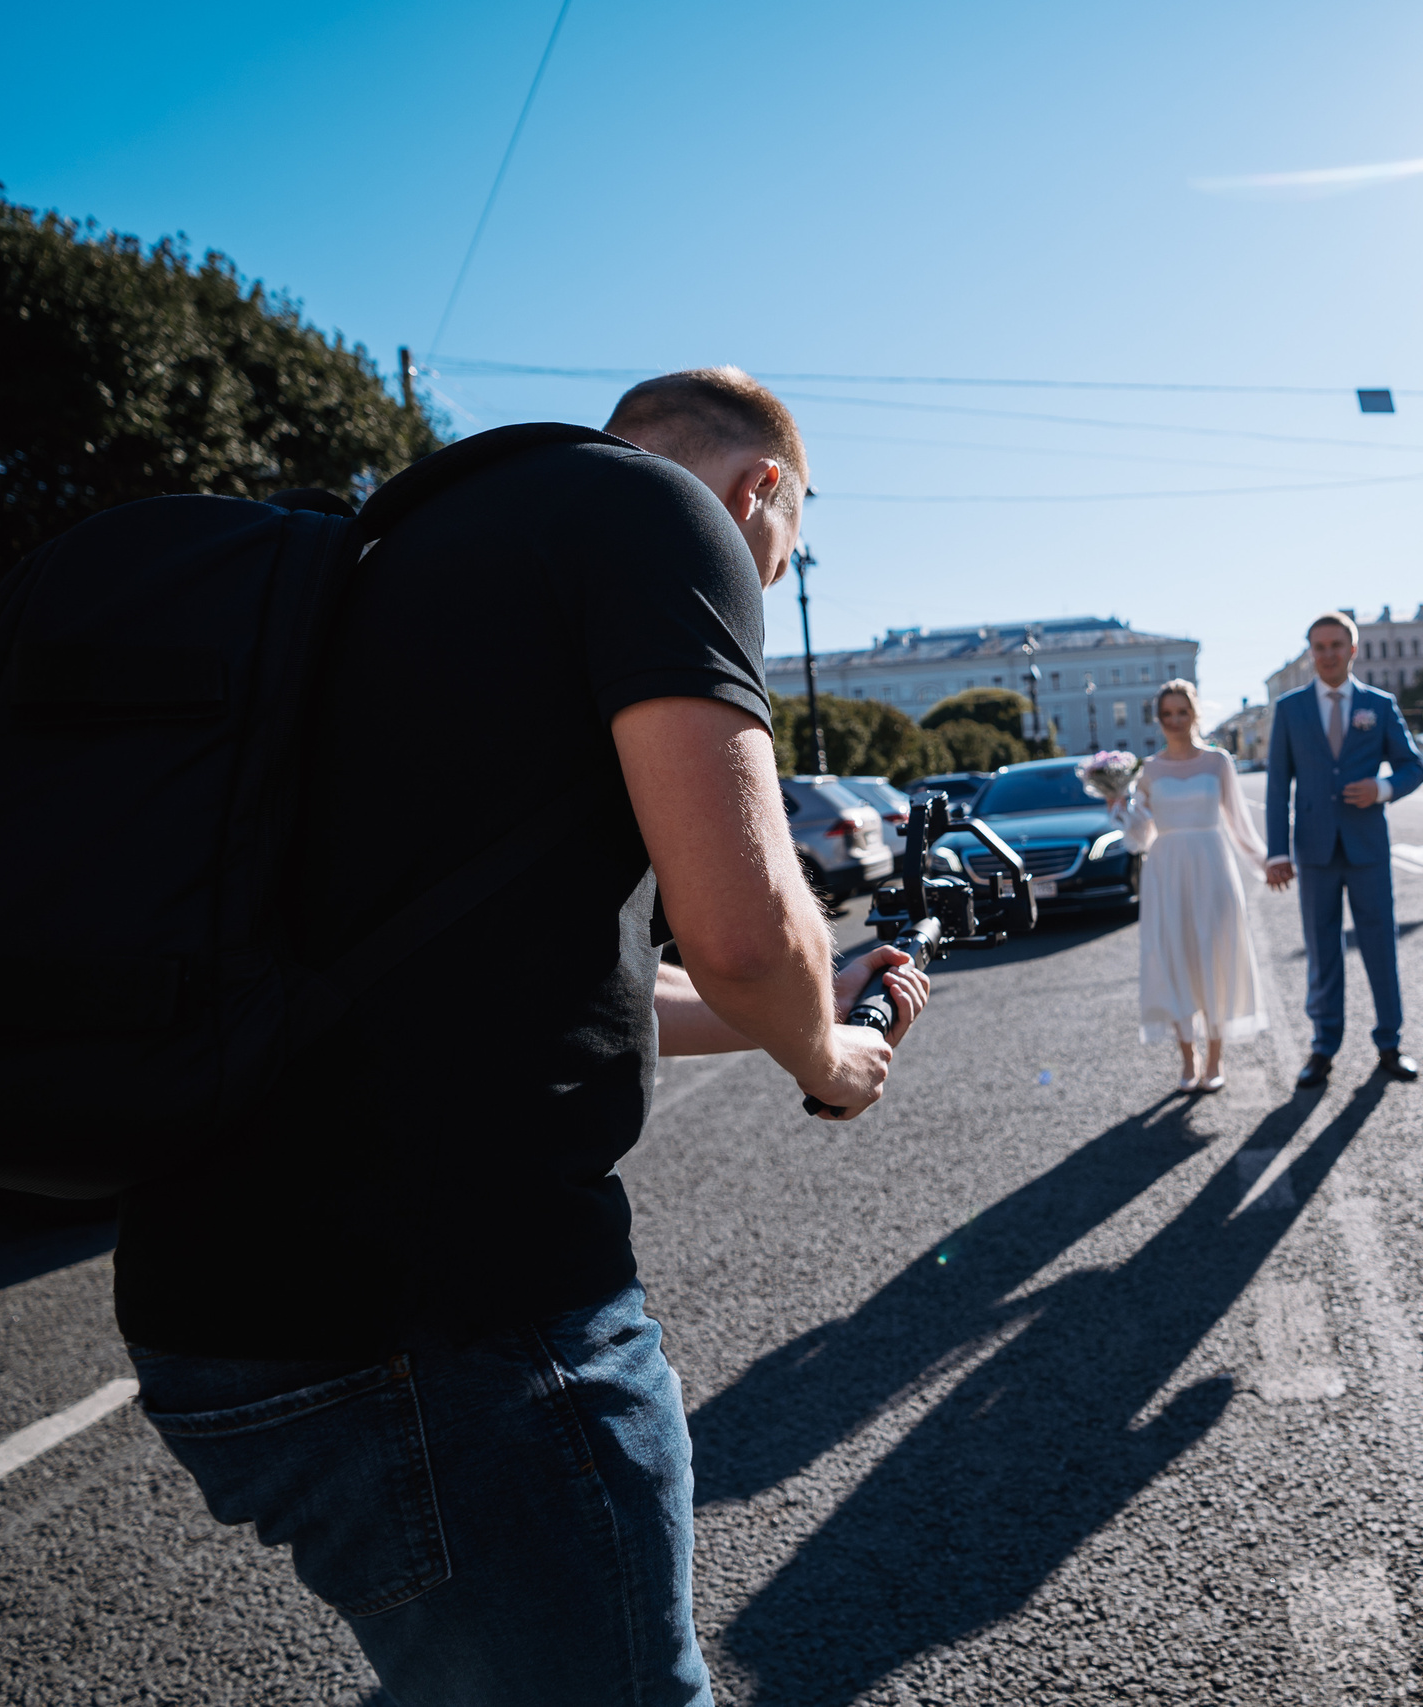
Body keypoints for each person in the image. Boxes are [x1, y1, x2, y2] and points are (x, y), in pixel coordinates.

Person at [115, 369, 928, 1707]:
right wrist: (828, 1054)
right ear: (763, 492)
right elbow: (736, 931)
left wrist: (800, 999)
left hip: (219, 1310)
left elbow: (572, 987)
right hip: (451, 1325)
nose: (763, 584)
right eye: (778, 558)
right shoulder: (668, 519)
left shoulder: (405, 555)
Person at [1264, 613, 1423, 1090]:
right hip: (1314, 851)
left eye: (1336, 645)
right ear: (1310, 652)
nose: (1328, 654)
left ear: (1353, 650)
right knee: (1322, 950)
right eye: (1319, 646)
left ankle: (1390, 1044)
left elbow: (1412, 768)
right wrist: (1277, 852)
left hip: (1367, 847)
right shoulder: (1290, 709)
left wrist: (1381, 788)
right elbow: (1278, 787)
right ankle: (1323, 1047)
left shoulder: (1379, 704)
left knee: (1380, 945)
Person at [1102, 681, 1273, 1092]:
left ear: (1195, 713)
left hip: (1213, 868)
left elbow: (1239, 824)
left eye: (1182, 712)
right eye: (1167, 714)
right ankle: (1187, 1057)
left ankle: (1215, 1058)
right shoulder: (1147, 770)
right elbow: (1140, 838)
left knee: (1214, 956)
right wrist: (1117, 808)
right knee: (1173, 955)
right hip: (1166, 872)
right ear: (1158, 720)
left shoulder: (1218, 762)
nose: (1175, 721)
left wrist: (1270, 864)